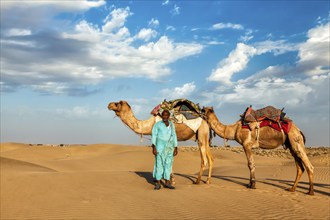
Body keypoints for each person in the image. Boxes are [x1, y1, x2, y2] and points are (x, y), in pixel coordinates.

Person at [152, 109, 178, 190]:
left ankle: (167, 182)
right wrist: (154, 147)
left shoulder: (171, 125)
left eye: (166, 115)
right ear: (161, 116)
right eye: (163, 115)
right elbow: (154, 136)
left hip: (170, 147)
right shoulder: (157, 125)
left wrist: (176, 147)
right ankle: (158, 183)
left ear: (169, 116)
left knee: (168, 164)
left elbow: (174, 135)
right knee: (159, 164)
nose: (165, 117)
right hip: (160, 147)